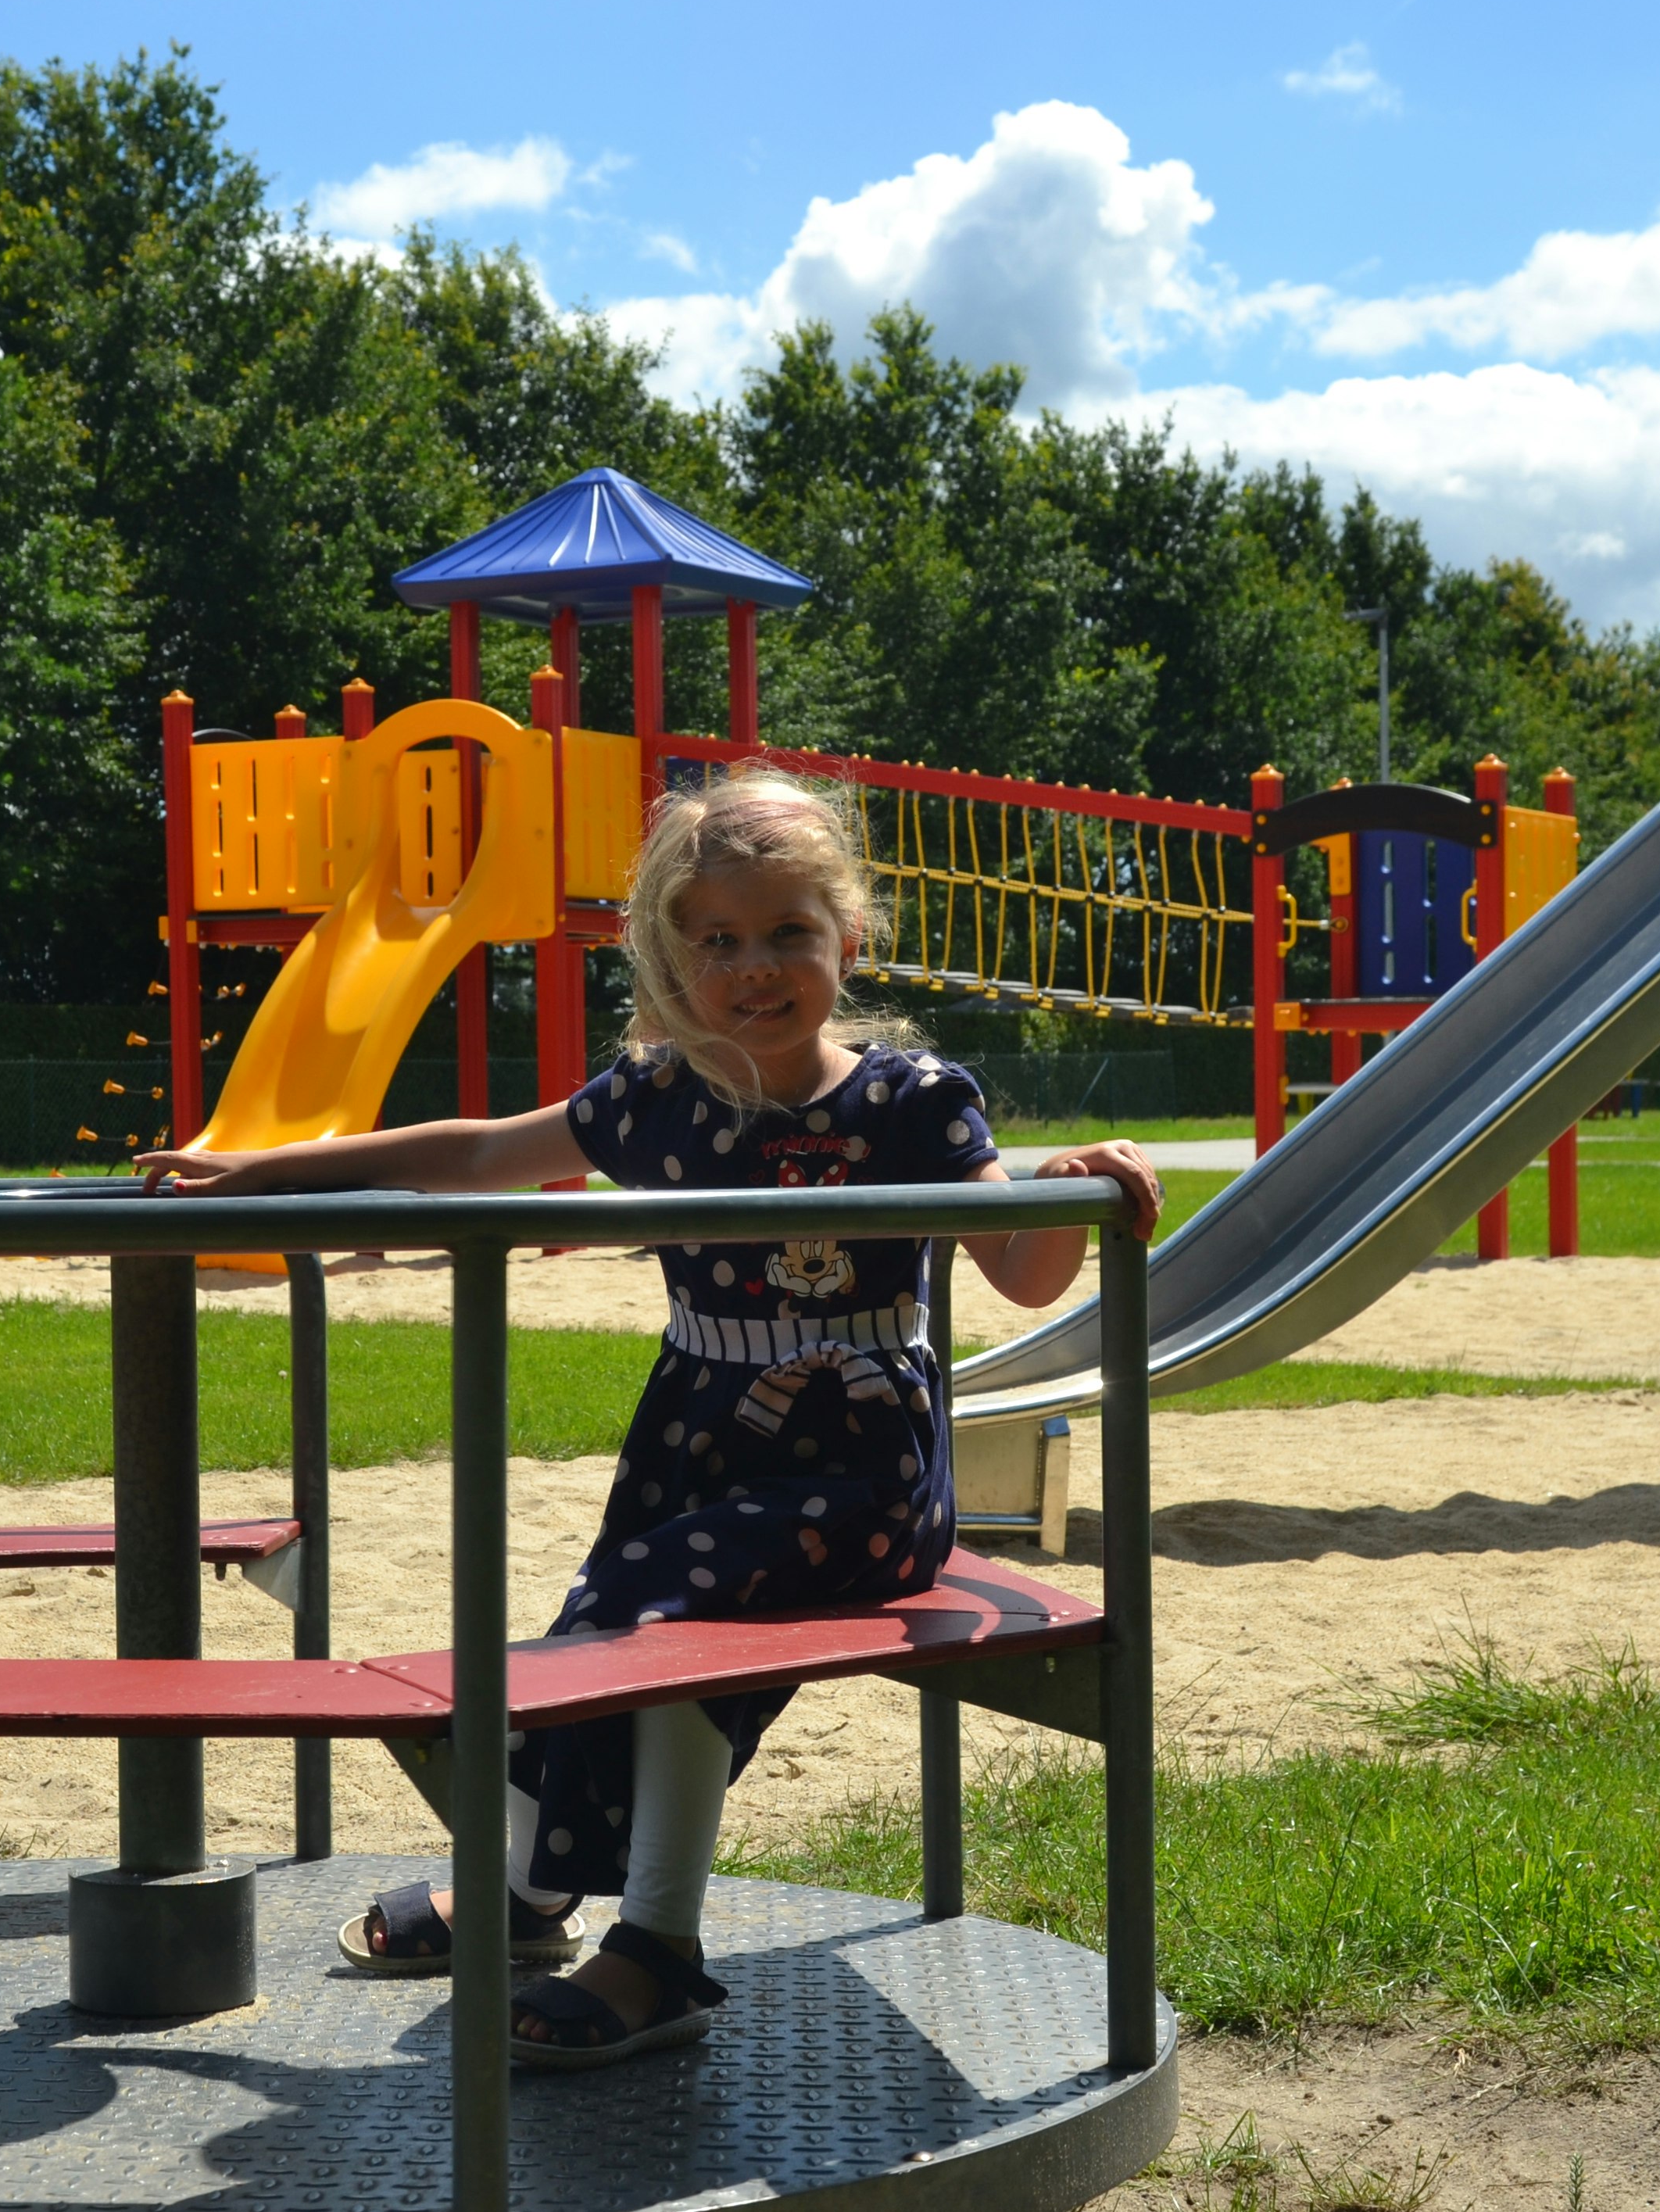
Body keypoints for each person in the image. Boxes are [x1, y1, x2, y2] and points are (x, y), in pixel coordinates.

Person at [139, 770, 1161, 2070]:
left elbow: (1018, 1270)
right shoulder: (657, 1101)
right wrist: (272, 1168)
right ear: (668, 956)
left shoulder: (910, 1103)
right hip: (690, 1449)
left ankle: (659, 1949)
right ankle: (532, 1896)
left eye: (789, 931)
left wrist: (1064, 1188)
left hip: (860, 1474)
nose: (755, 969)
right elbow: (472, 1156)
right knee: (597, 1628)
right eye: (717, 940)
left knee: (669, 1621)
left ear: (849, 938)